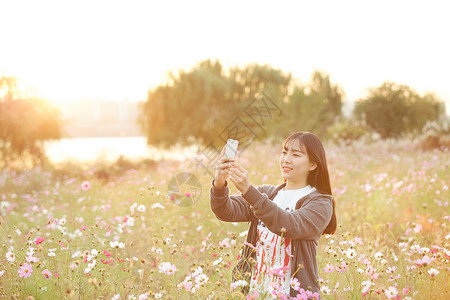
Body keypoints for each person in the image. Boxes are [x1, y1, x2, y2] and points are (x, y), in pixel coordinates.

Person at [209, 132, 337, 298]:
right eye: (284, 152)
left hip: (291, 294)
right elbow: (225, 211)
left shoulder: (320, 203)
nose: (286, 159)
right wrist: (220, 182)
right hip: (255, 292)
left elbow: (288, 225)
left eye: (296, 154)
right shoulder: (267, 194)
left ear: (313, 164)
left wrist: (249, 191)